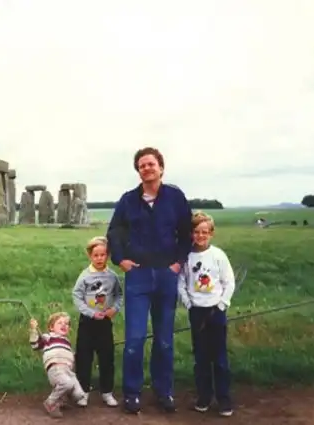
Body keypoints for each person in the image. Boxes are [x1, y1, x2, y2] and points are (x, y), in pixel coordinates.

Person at [106, 147, 193, 414]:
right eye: (142, 165)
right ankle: (132, 393)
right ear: (138, 171)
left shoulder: (175, 197)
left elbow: (186, 232)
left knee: (164, 340)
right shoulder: (128, 200)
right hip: (139, 275)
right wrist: (120, 260)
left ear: (161, 168)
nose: (146, 168)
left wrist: (178, 263)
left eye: (151, 164)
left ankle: (163, 391)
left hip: (167, 275)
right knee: (134, 340)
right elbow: (114, 231)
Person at [177, 211, 235, 417]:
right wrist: (189, 304)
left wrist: (221, 305)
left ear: (211, 233)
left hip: (216, 312)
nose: (200, 236)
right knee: (201, 358)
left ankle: (224, 399)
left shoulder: (218, 255)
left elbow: (229, 282)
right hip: (197, 312)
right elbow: (181, 283)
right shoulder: (187, 257)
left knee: (219, 358)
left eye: (205, 232)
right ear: (191, 234)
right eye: (196, 232)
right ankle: (204, 397)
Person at [72, 236, 123, 408]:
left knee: (107, 357)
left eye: (103, 255)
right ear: (90, 256)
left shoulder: (112, 276)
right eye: (96, 255)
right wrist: (90, 313)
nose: (100, 258)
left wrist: (114, 309)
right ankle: (83, 392)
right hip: (87, 322)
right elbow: (77, 296)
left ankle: (107, 392)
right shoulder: (85, 276)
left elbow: (119, 295)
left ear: (107, 255)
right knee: (84, 357)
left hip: (105, 322)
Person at [29, 312, 87, 418]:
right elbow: (35, 345)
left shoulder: (67, 342)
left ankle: (60, 401)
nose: (64, 325)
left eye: (66, 323)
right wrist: (33, 330)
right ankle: (50, 402)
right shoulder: (48, 337)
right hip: (56, 369)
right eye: (60, 323)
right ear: (51, 327)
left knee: (80, 395)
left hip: (68, 371)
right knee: (67, 383)